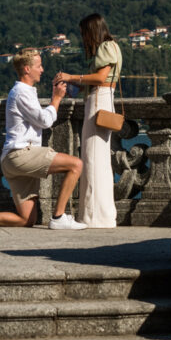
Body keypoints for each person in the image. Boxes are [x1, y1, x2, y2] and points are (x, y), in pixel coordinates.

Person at [0, 48, 87, 230]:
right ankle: (59, 217)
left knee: (26, 219)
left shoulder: (23, 92)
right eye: (39, 65)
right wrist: (57, 98)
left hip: (13, 159)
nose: (42, 69)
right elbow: (44, 121)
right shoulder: (22, 92)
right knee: (76, 165)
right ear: (27, 69)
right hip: (21, 154)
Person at [56, 13, 122, 227]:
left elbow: (100, 78)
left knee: (93, 159)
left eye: (84, 32)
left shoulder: (106, 47)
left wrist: (71, 77)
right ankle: (99, 215)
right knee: (97, 159)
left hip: (98, 102)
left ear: (91, 31)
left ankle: (94, 217)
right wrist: (76, 85)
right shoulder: (112, 47)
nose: (83, 37)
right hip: (102, 99)